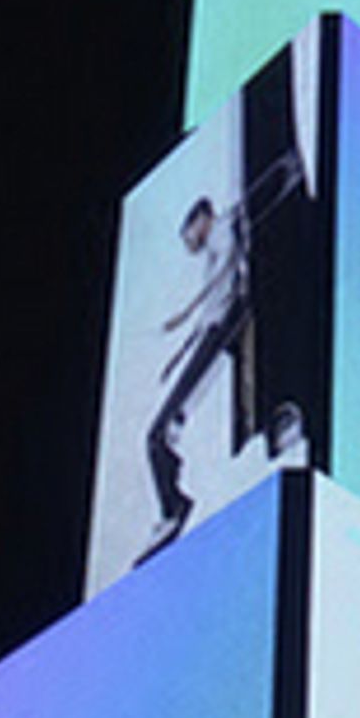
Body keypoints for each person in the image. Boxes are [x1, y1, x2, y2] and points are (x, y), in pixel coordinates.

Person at [140, 195, 250, 557]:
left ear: (201, 219)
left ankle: (173, 509)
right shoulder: (218, 239)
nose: (189, 240)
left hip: (221, 328)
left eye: (189, 231)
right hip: (212, 330)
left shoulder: (220, 232)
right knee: (160, 431)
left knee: (156, 435)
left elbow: (226, 274)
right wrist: (179, 349)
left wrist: (186, 313)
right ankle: (171, 502)